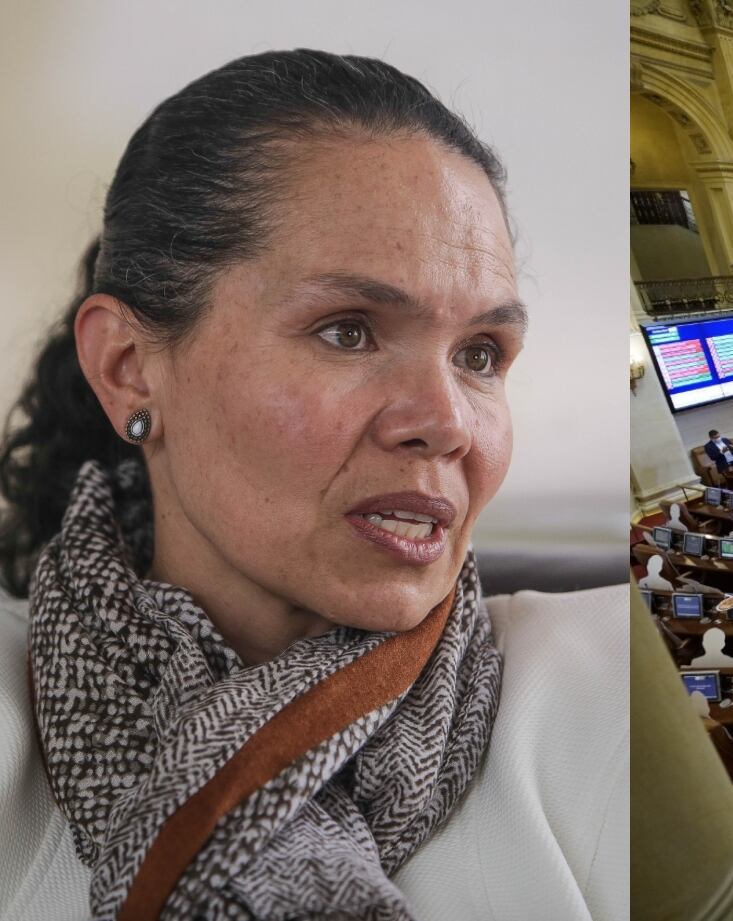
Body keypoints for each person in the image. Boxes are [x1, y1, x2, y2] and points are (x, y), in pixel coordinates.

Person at [0, 50, 623, 919]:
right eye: (348, 331)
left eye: (480, 355)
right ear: (129, 367)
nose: (446, 421)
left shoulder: (608, 686)